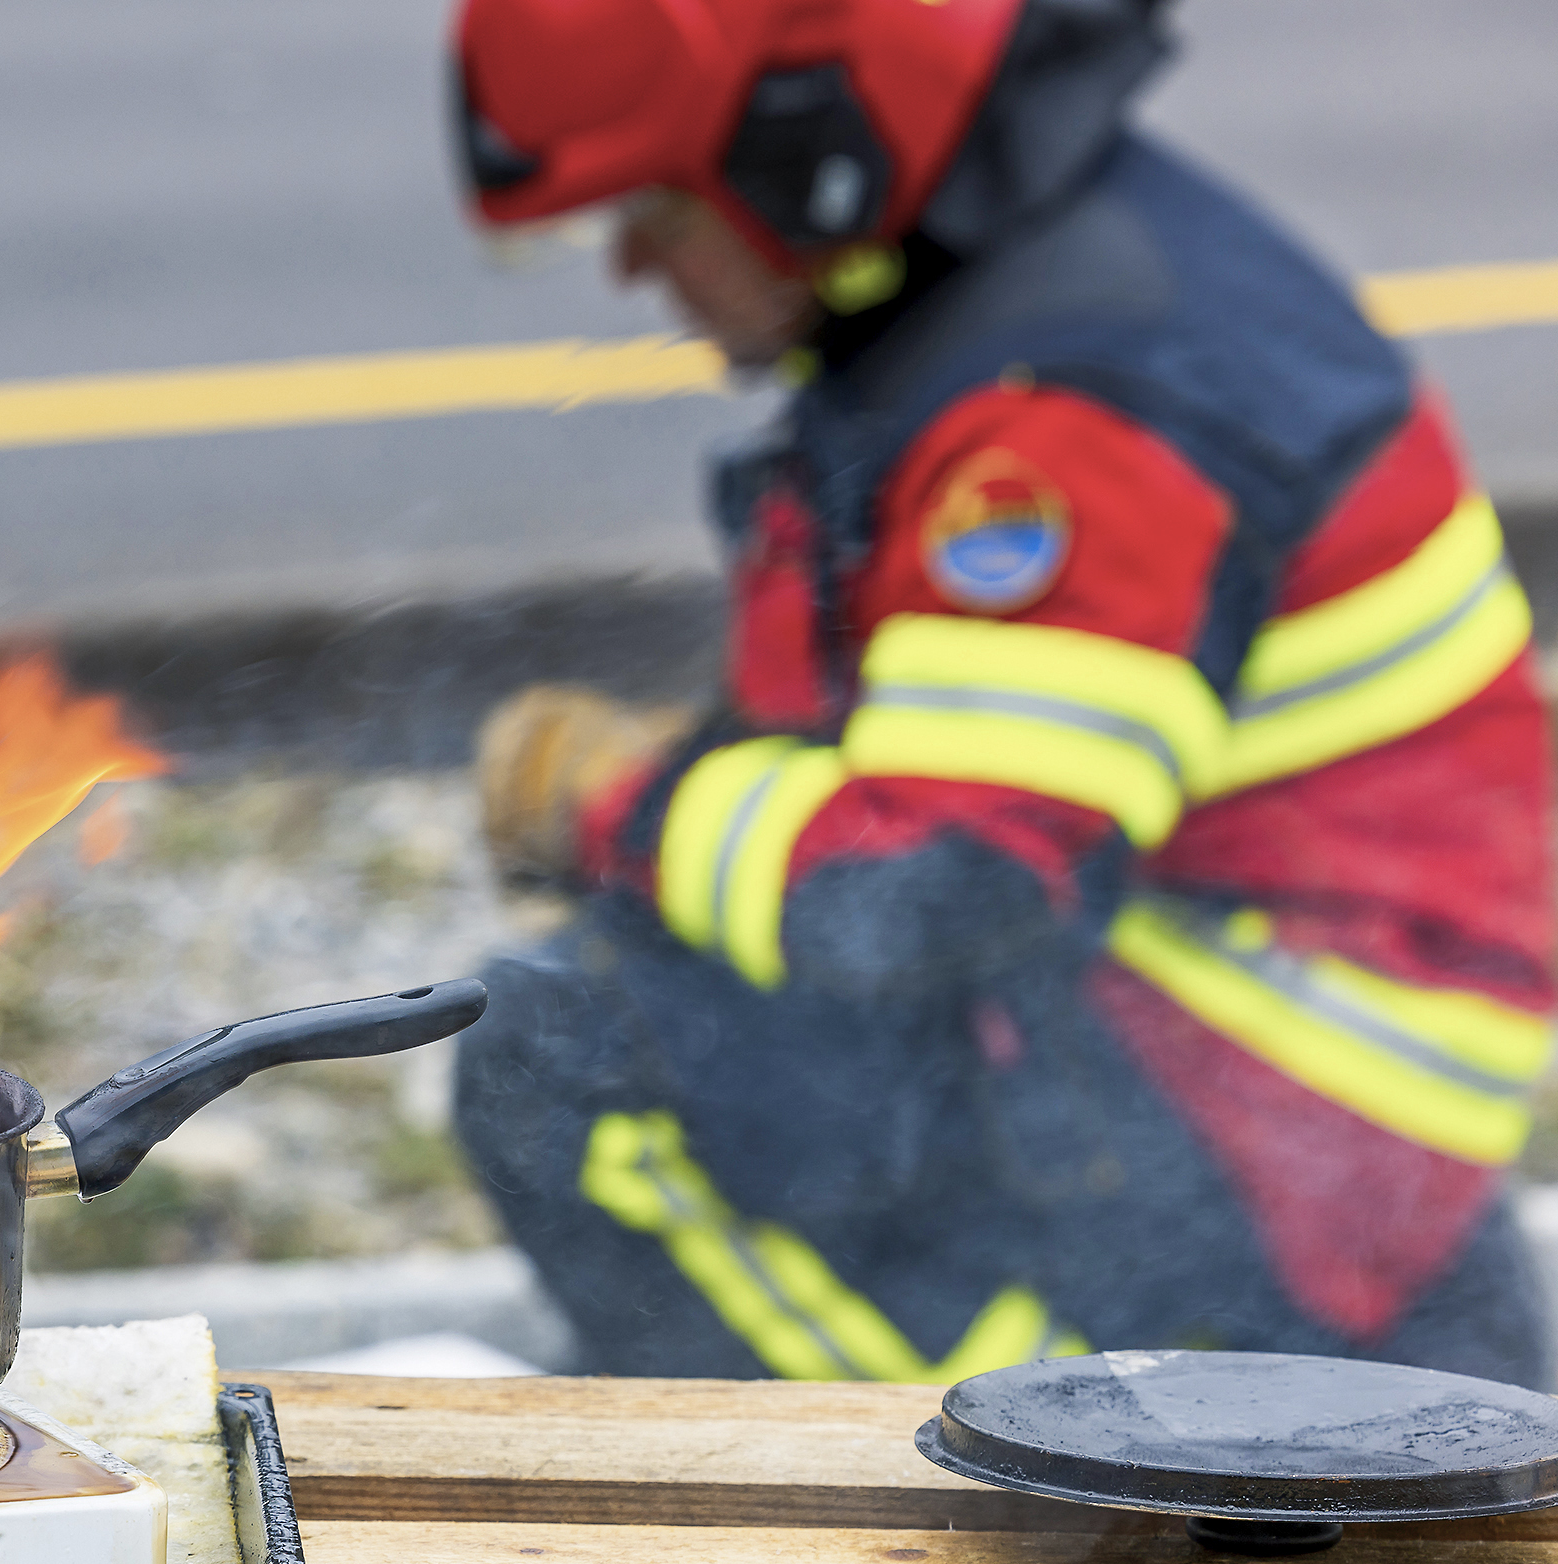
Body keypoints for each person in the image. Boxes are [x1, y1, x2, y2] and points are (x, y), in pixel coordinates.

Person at [448, 0, 1556, 1386]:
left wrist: (619, 804)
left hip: (1285, 1104)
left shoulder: (1061, 418)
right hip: (1288, 1036)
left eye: (658, 212)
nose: (629, 268)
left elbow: (940, 888)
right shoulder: (1027, 286)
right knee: (698, 991)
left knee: (557, 1053)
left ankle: (986, 1482)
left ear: (811, 160)